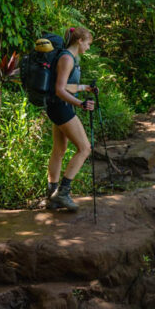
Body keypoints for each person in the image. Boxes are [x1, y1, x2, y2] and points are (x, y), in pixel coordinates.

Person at [45, 26, 96, 211]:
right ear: (79, 41)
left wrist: (85, 88)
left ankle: (51, 195)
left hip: (56, 107)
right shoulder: (67, 58)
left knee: (59, 150)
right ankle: (63, 193)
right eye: (88, 43)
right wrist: (81, 104)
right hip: (61, 108)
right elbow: (60, 90)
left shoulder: (68, 57)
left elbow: (67, 86)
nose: (88, 48)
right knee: (85, 148)